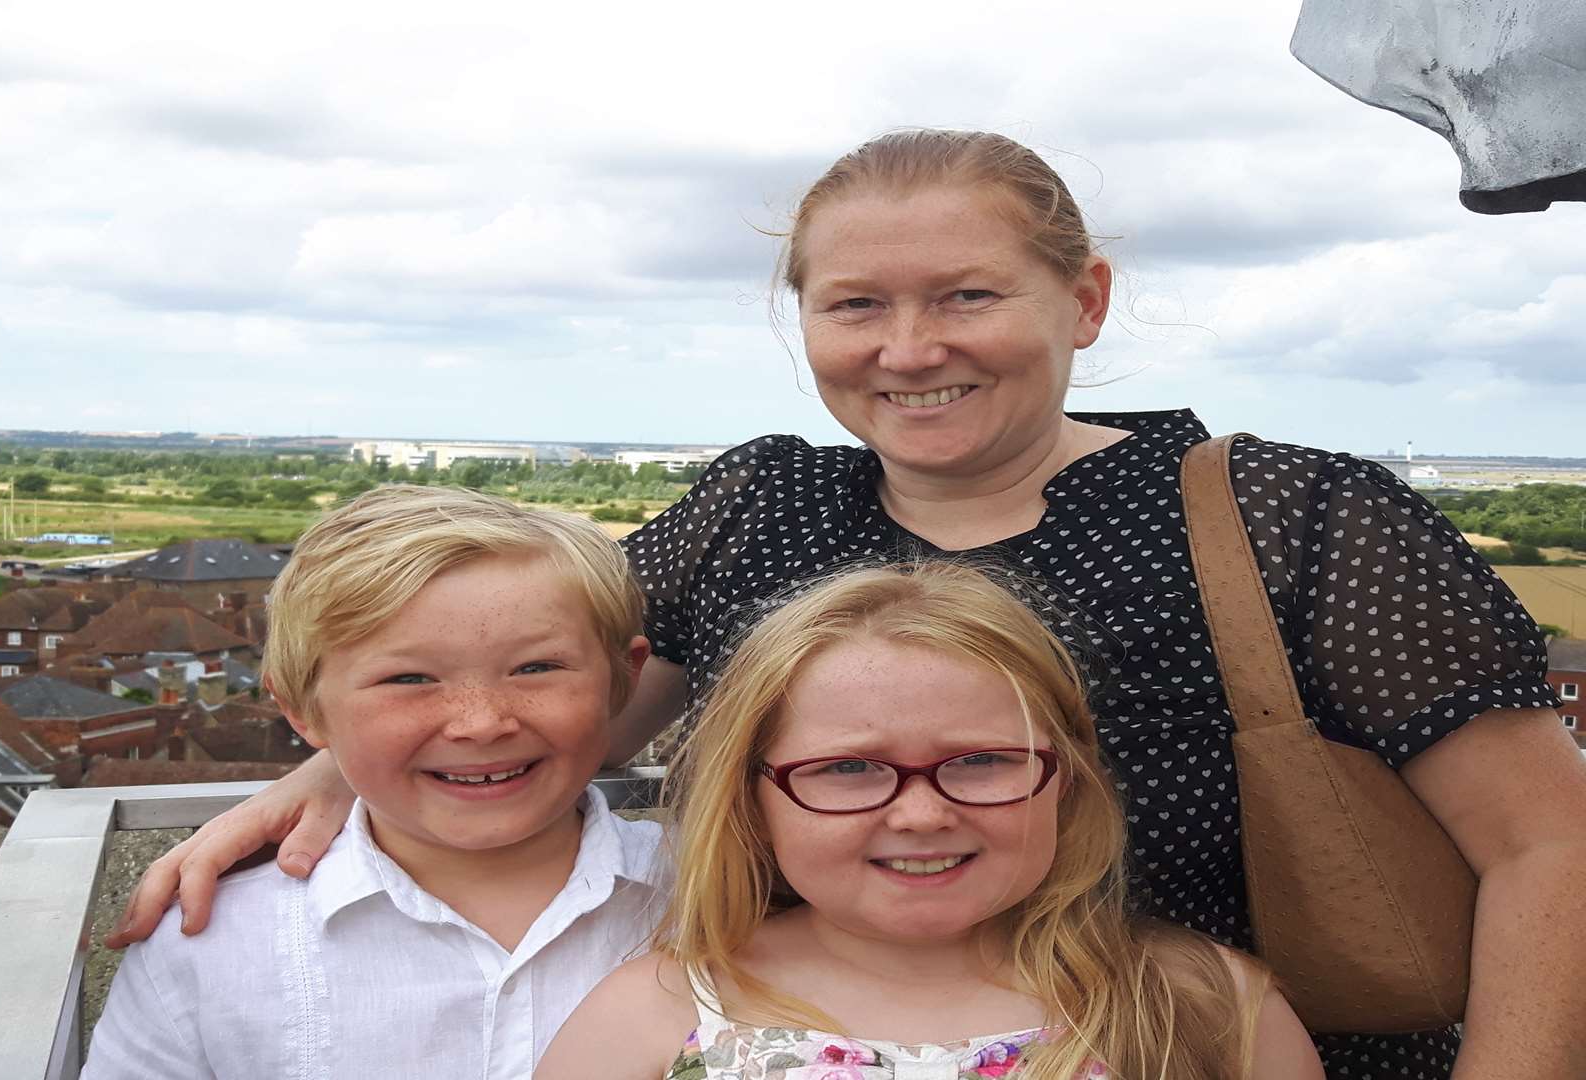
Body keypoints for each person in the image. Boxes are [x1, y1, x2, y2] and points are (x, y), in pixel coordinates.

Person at [107, 130, 1586, 1080]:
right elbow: (523, 688)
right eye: (856, 306)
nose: (909, 348)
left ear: (1084, 304)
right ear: (802, 321)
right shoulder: (765, 508)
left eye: (967, 297)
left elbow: (1547, 844)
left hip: (1225, 1045)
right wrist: (314, 774)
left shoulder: (1282, 513)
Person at [537, 563, 1324, 1079]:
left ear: (1067, 780)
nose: (920, 813)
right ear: (752, 798)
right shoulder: (659, 1014)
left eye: (982, 760)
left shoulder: (1206, 1009)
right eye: (847, 769)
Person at [82, 486, 665, 1078]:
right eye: (409, 678)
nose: (482, 722)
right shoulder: (204, 952)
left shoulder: (732, 903)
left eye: (536, 668)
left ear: (624, 677)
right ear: (302, 709)